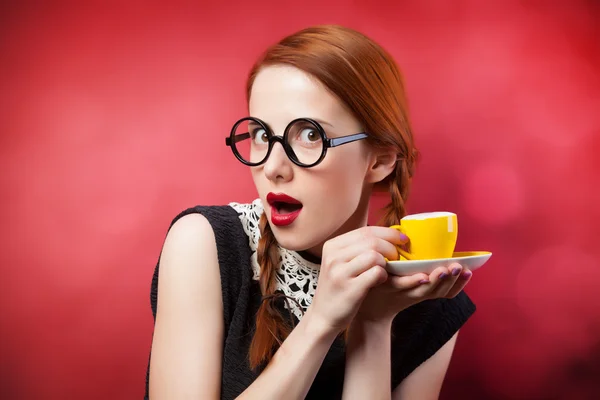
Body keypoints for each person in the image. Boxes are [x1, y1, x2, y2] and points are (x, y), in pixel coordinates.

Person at [144, 24, 476, 400]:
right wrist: (321, 321)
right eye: (262, 136)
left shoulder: (426, 301)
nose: (273, 167)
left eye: (310, 134)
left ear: (380, 160)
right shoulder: (203, 245)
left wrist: (374, 322)